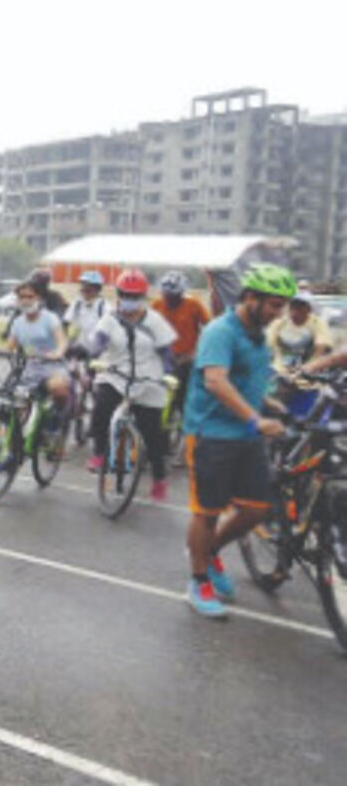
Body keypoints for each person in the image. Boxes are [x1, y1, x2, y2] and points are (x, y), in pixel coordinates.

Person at [180, 263, 294, 618]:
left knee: (256, 509)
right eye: (275, 304)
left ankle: (208, 552)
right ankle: (198, 581)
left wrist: (269, 403)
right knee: (208, 512)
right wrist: (256, 419)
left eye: (283, 306)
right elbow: (216, 381)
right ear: (251, 298)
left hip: (245, 435)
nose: (280, 313)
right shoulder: (221, 331)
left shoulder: (259, 338)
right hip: (210, 434)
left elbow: (247, 381)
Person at [85, 269, 178, 500]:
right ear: (118, 294)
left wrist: (167, 371)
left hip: (149, 379)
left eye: (136, 296)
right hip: (116, 374)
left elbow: (167, 352)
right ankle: (99, 452)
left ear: (144, 297)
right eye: (126, 294)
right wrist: (92, 354)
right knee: (101, 408)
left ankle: (158, 478)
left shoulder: (155, 321)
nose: (130, 300)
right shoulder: (110, 319)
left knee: (152, 434)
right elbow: (99, 341)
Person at [152, 270, 210, 417]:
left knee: (183, 398)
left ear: (181, 294)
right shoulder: (157, 305)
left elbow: (210, 327)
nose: (169, 300)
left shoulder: (193, 304)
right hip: (163, 358)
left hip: (186, 358)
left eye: (173, 297)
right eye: (167, 296)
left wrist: (200, 350)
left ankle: (187, 427)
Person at [7, 280, 70, 407]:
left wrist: (57, 353)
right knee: (16, 403)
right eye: (21, 297)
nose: (25, 301)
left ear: (39, 298)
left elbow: (62, 341)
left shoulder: (50, 318)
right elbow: (10, 345)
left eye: (30, 297)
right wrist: (4, 351)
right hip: (31, 369)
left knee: (58, 389)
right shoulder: (17, 322)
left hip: (53, 367)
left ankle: (57, 423)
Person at [266, 291, 332, 373]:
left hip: (308, 370)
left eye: (300, 309)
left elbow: (321, 346)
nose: (295, 313)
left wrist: (310, 366)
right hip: (280, 369)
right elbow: (269, 344)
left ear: (308, 310)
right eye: (292, 308)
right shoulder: (279, 323)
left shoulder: (317, 323)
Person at [64, 271, 108, 353]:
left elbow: (108, 333)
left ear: (97, 289)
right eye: (83, 287)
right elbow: (67, 324)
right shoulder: (77, 304)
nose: (84, 290)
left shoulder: (105, 307)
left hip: (98, 353)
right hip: (79, 351)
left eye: (88, 288)